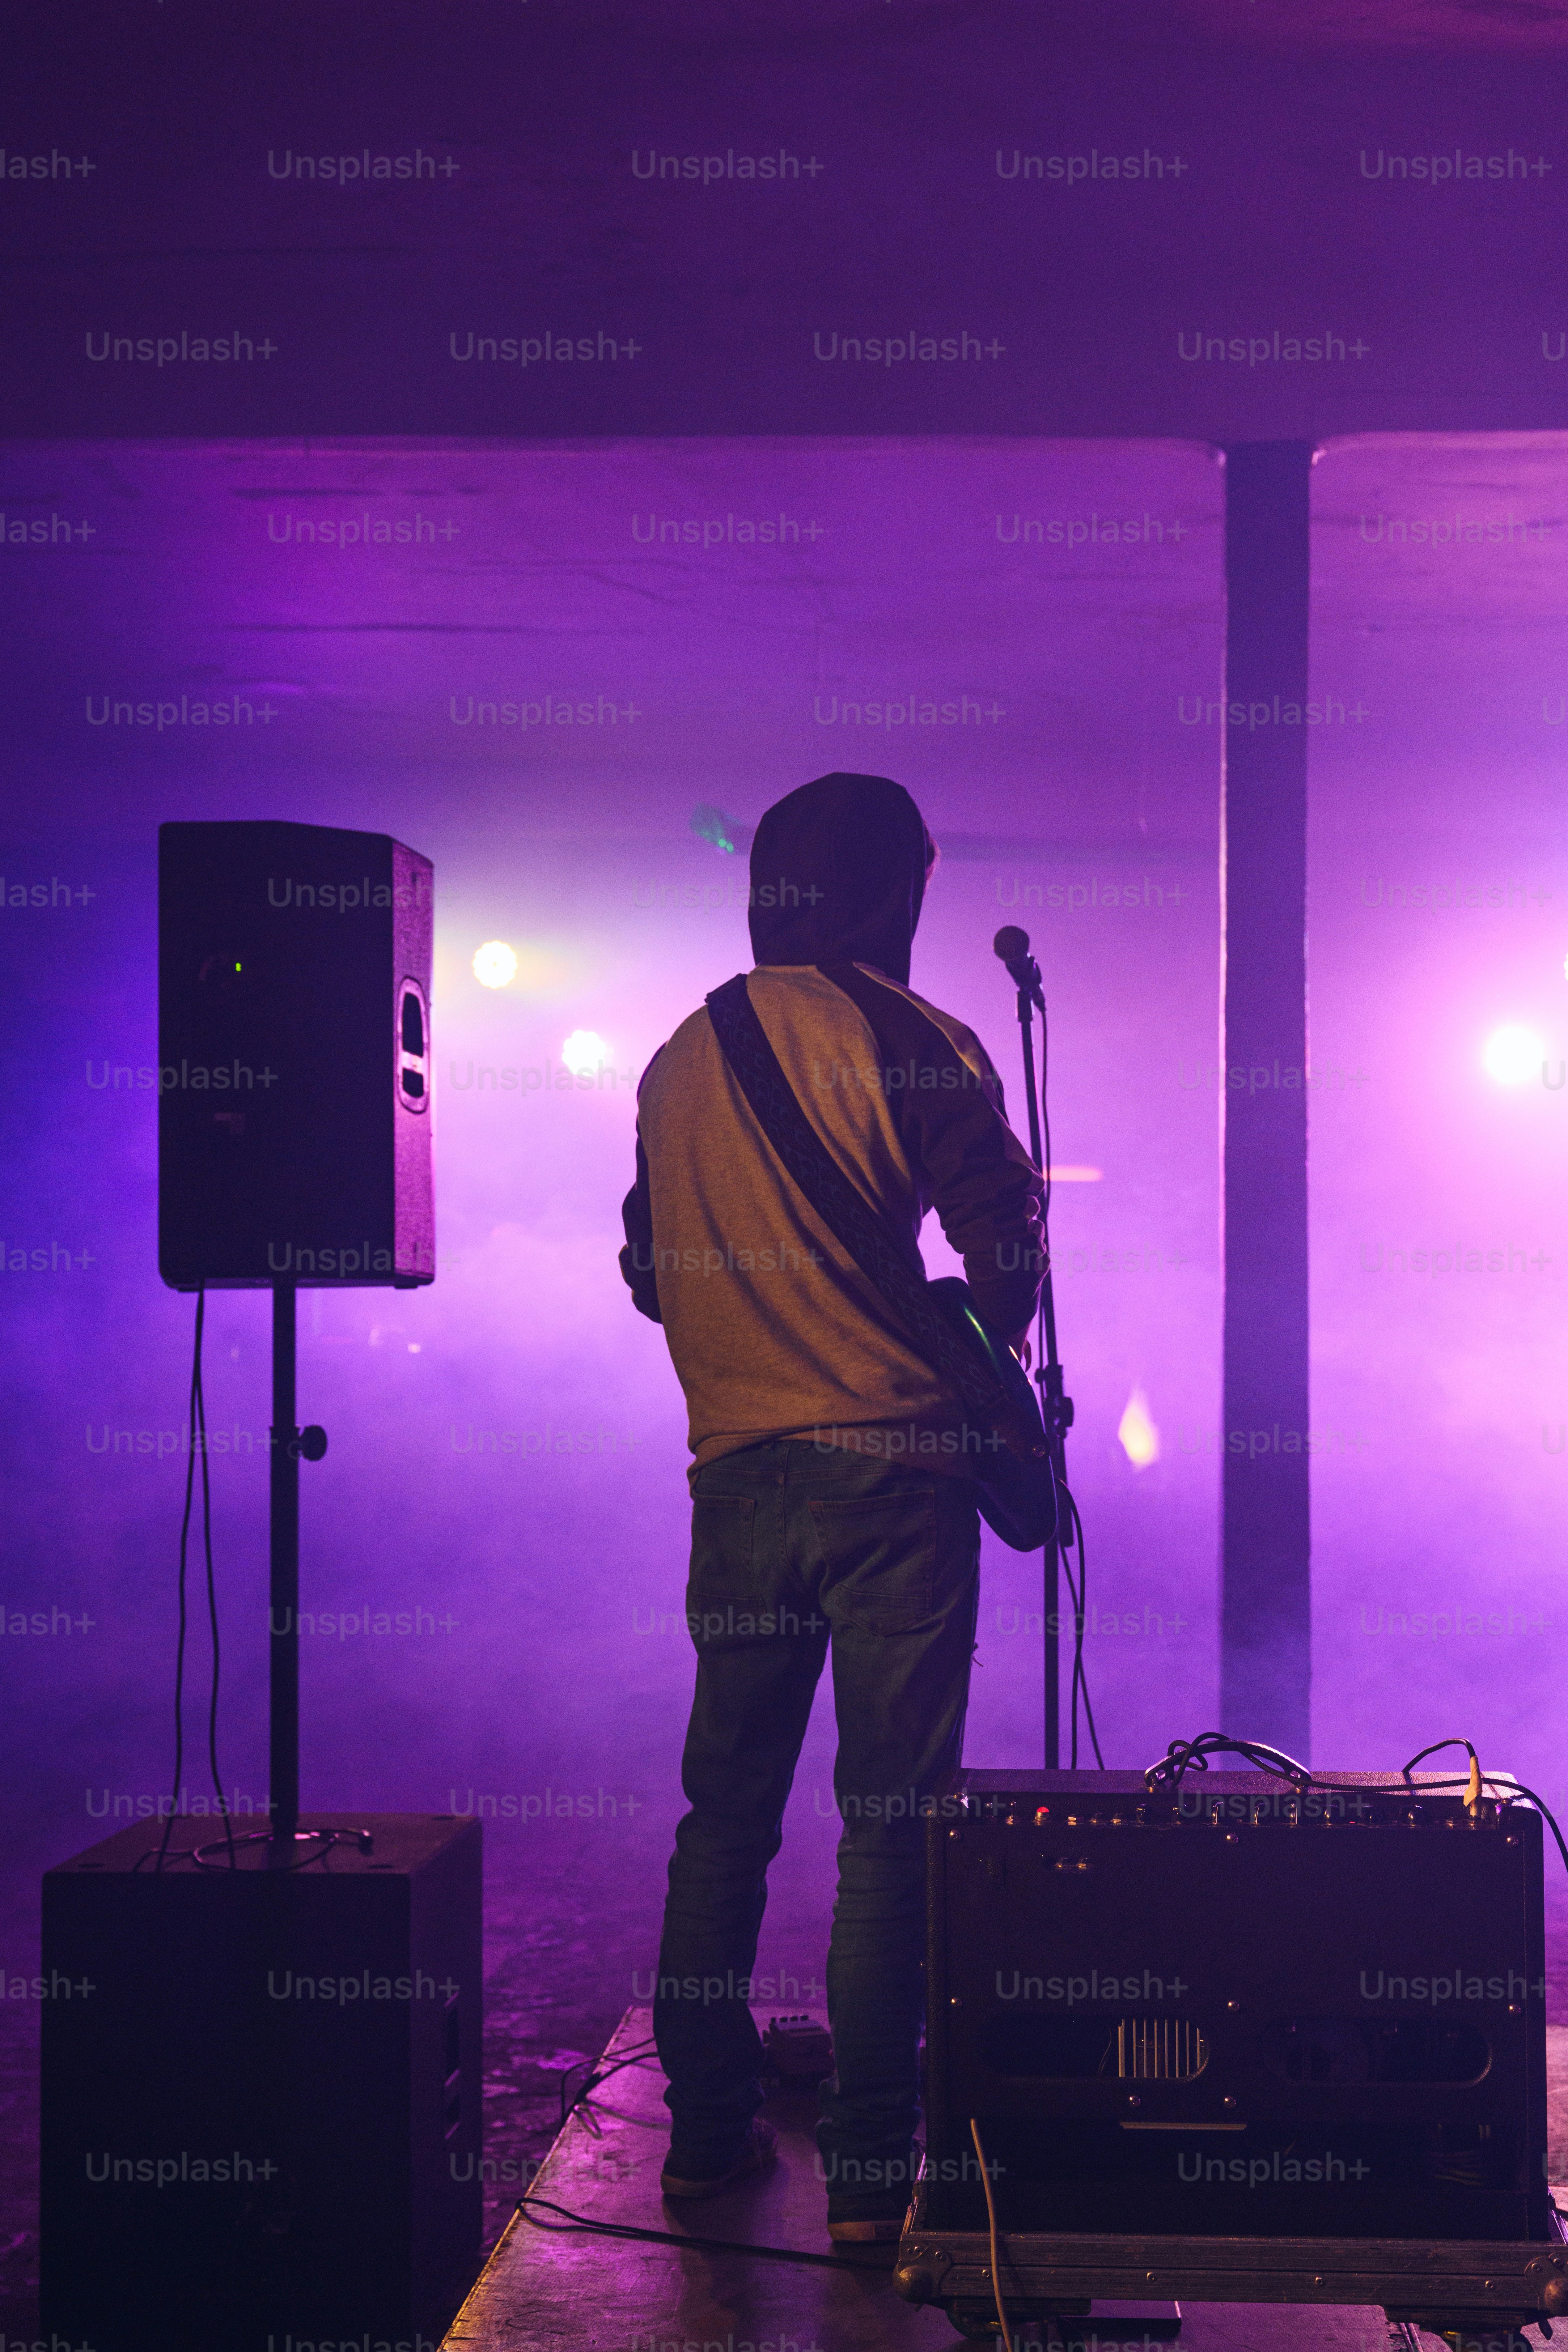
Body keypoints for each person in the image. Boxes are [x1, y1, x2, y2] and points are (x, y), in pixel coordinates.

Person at [619, 771, 1047, 2240]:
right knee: (890, 1826)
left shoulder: (679, 1056)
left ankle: (704, 2143)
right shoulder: (917, 1039)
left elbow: (642, 1268)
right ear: (891, 892)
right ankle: (871, 2179)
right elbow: (1006, 1252)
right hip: (894, 1484)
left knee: (721, 1818)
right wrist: (975, 1352)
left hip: (735, 1477)